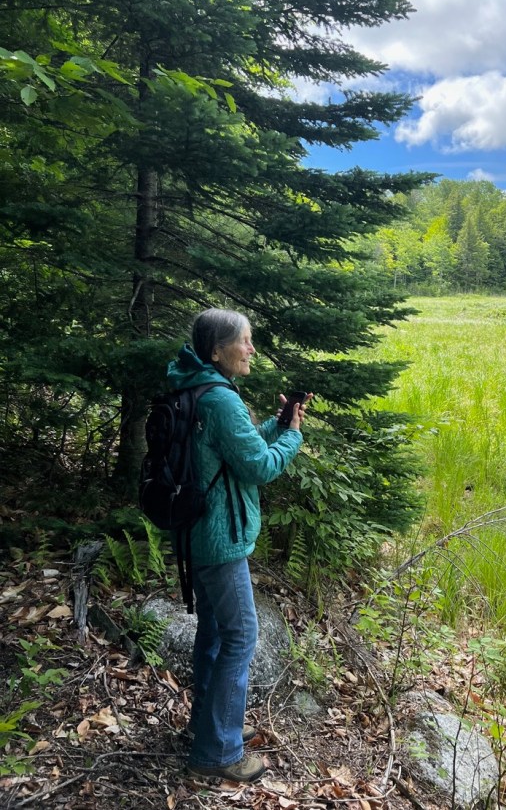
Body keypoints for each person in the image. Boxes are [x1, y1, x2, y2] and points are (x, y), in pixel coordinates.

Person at [167, 308, 310, 783]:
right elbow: (259, 467)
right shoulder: (221, 399)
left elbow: (234, 450)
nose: (251, 349)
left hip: (197, 531)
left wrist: (277, 423)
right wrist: (293, 437)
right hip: (220, 538)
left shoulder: (196, 386)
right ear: (217, 351)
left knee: (214, 631)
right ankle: (219, 752)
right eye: (245, 341)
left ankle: (208, 726)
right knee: (241, 636)